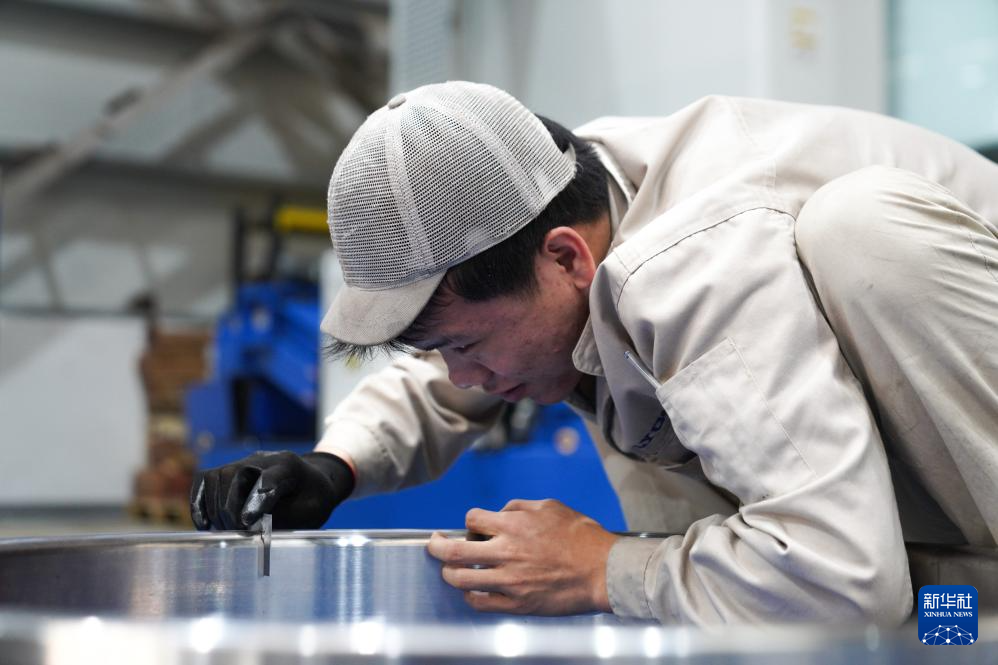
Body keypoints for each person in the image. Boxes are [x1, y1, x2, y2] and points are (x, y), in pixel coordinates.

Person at [190, 81, 998, 624]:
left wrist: (602, 567)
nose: (461, 376)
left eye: (464, 345)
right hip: (942, 590)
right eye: (440, 348)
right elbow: (452, 365)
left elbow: (848, 582)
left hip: (909, 569)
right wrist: (335, 466)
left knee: (859, 231)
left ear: (565, 257)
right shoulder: (569, 190)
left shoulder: (697, 259)